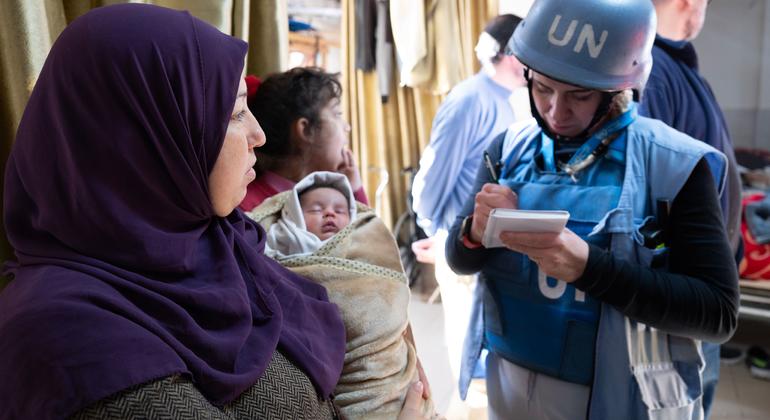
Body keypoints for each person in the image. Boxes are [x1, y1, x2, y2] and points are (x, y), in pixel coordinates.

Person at [0, 4, 427, 419]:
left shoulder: (219, 245)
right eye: (236, 112)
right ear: (146, 140)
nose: (258, 134)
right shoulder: (78, 346)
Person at [446, 0, 739, 418]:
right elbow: (460, 261)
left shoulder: (675, 165)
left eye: (579, 96)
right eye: (542, 87)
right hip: (507, 383)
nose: (555, 111)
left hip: (617, 396)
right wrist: (473, 232)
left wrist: (590, 269)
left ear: (621, 86)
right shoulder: (506, 150)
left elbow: (718, 314)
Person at [248, 171, 437, 419]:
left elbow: (390, 295)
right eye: (316, 209)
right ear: (293, 216)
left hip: (390, 372)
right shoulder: (282, 245)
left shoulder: (363, 242)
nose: (330, 213)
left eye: (340, 209)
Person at [409, 13, 527, 395]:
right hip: (460, 243)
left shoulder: (503, 100)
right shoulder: (470, 100)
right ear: (511, 53)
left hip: (483, 248)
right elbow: (434, 173)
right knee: (467, 351)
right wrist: (437, 234)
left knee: (483, 355)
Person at [639, 2, 742, 416]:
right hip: (685, 294)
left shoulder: (676, 65)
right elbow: (645, 198)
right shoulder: (656, 73)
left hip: (702, 288)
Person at [239, 67, 368, 211]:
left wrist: (354, 192)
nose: (347, 127)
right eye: (337, 114)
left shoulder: (334, 197)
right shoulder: (250, 209)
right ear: (306, 130)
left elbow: (368, 233)